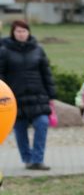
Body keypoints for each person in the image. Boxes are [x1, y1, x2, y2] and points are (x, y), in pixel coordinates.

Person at [0, 20, 57, 170]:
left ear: (28, 32)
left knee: (42, 123)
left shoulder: (38, 49)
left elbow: (46, 73)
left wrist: (51, 94)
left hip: (38, 96)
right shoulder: (4, 50)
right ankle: (27, 159)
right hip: (15, 98)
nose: (21, 34)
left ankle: (38, 160)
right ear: (13, 33)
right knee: (20, 129)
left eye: (24, 31)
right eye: (18, 31)